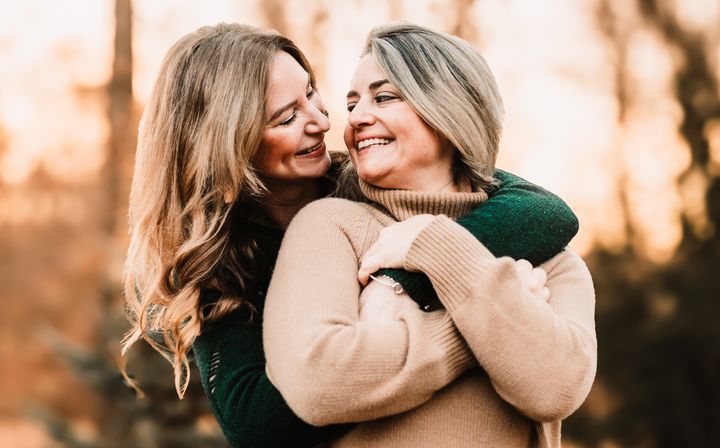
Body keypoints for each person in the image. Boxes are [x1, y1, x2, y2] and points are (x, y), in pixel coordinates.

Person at [122, 22, 582, 448]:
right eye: (286, 118)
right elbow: (257, 423)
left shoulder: (363, 183)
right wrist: (486, 320)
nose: (323, 123)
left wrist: (407, 280)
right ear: (228, 148)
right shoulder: (221, 266)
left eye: (312, 93)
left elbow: (543, 210)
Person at [263, 22, 596, 447]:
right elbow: (318, 382)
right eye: (352, 104)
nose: (356, 118)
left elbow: (555, 388)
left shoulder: (552, 262)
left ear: (449, 110)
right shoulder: (330, 227)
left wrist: (434, 242)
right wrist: (489, 323)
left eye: (383, 97)